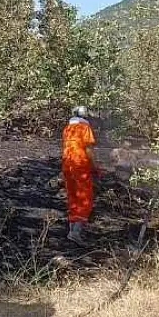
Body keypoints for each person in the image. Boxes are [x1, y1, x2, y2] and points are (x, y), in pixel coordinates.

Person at [61, 105, 97, 245]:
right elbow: (88, 149)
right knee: (84, 196)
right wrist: (94, 166)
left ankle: (71, 230)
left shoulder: (67, 129)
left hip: (67, 163)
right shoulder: (84, 128)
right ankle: (76, 232)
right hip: (80, 164)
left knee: (72, 194)